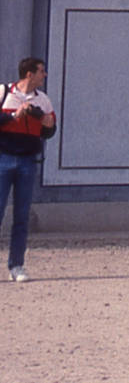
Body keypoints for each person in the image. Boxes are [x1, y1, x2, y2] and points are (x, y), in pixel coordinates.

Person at [1, 57, 58, 283]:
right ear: (29, 74)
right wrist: (14, 115)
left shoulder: (43, 100)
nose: (44, 75)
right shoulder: (4, 92)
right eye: (41, 71)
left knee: (22, 216)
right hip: (3, 158)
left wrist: (47, 124)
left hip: (27, 162)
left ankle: (17, 265)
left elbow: (50, 132)